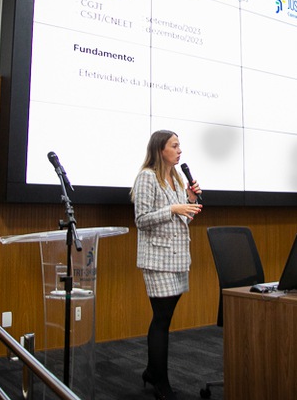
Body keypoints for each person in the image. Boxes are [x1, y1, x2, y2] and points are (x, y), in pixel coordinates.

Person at [131, 130, 202, 400]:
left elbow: (181, 220)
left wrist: (190, 202)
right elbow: (142, 219)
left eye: (180, 145)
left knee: (165, 319)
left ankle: (152, 371)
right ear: (161, 149)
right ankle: (161, 381)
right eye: (174, 145)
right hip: (157, 259)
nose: (180, 150)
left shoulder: (175, 177)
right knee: (161, 320)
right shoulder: (147, 177)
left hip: (178, 258)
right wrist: (174, 209)